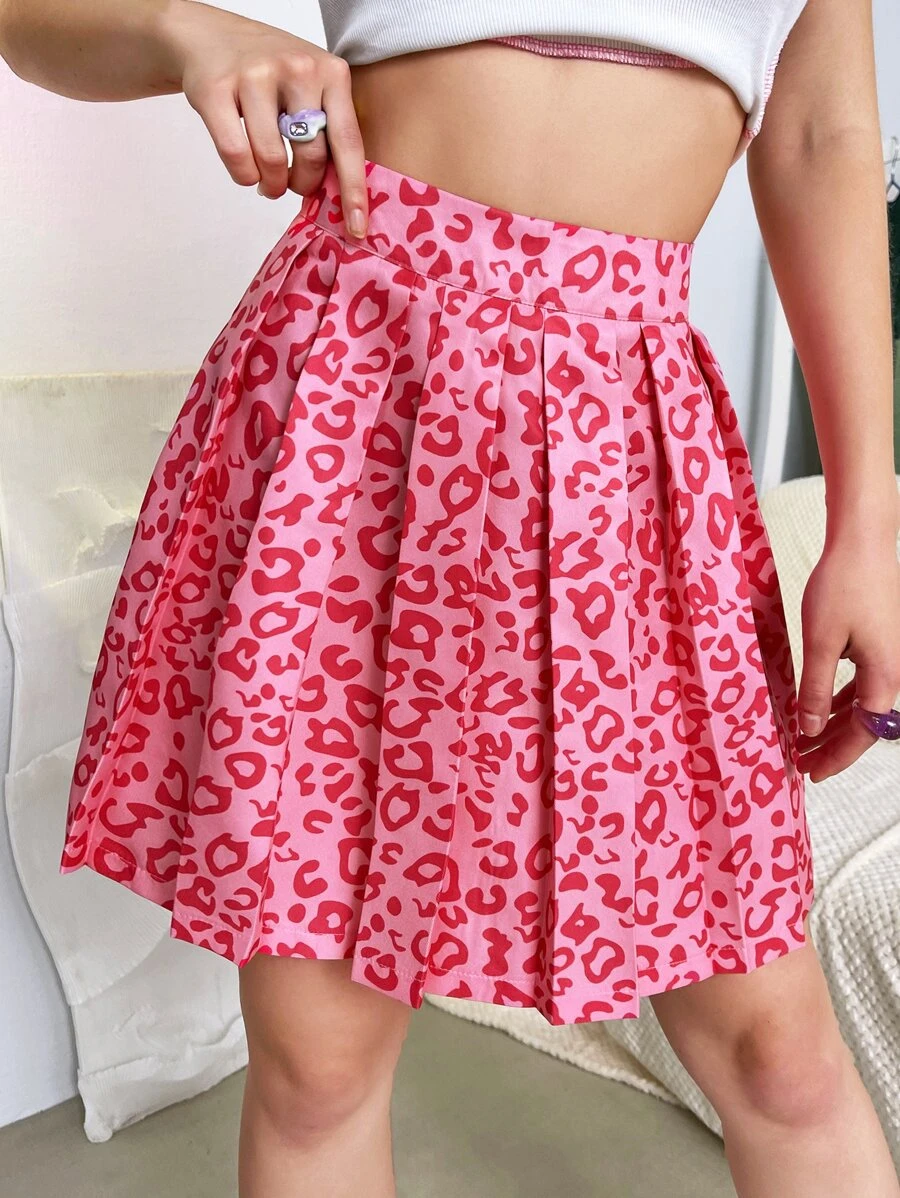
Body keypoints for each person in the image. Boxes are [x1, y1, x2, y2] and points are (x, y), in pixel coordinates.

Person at [2, 0, 899, 1194]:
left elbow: (823, 136)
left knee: (776, 1054)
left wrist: (868, 521)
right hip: (360, 395)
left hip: (624, 444)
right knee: (319, 1066)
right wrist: (183, 30)